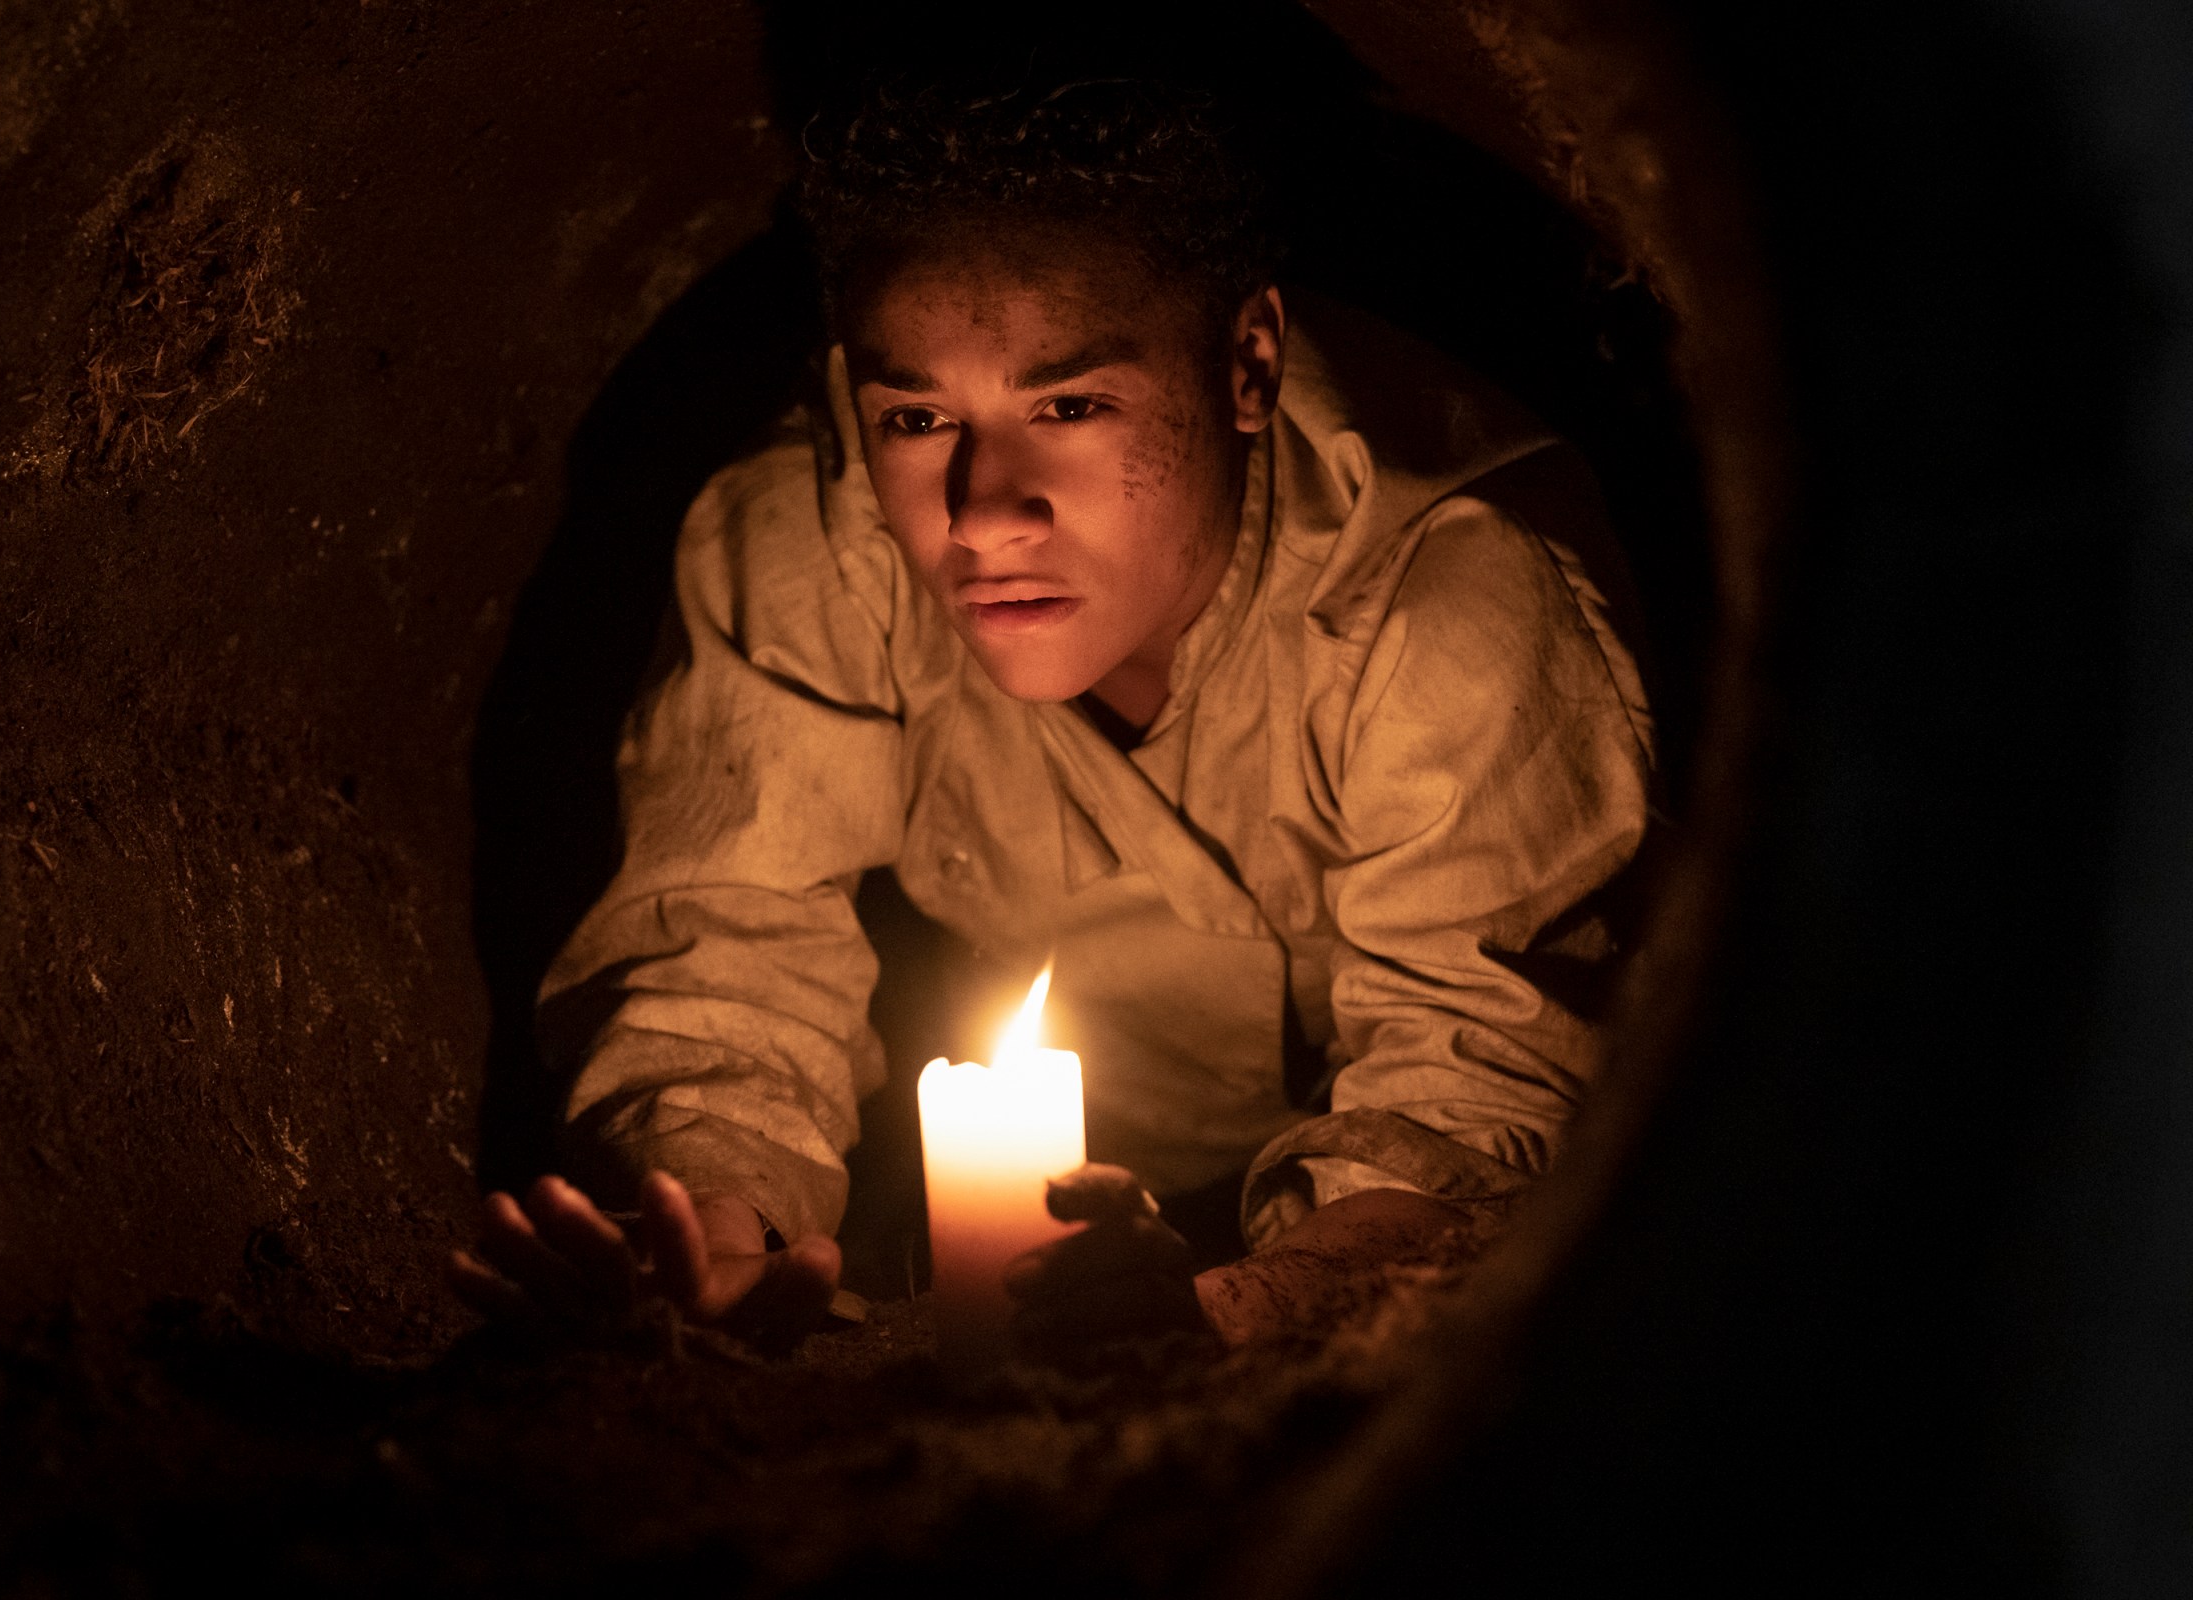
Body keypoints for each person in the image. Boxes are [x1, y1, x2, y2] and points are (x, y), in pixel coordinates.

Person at [447, 68, 1655, 1354]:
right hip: (1046, 1206)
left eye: (1070, 406)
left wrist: (1233, 1311)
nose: (981, 511)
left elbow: (1486, 1098)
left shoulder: (1447, 596)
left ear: (1248, 365)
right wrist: (703, 1239)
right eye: (918, 417)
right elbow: (727, 943)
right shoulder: (815, 536)